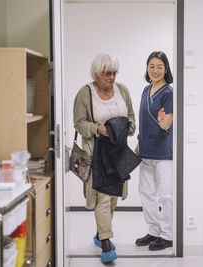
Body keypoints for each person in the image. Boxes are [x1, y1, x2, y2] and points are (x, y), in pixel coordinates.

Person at [73, 52, 136, 263]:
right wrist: (97, 128)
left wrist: (129, 128)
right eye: (107, 73)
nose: (112, 77)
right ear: (97, 73)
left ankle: (100, 234)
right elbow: (79, 123)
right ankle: (107, 243)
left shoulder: (123, 90)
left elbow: (131, 118)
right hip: (96, 155)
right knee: (102, 197)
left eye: (114, 73)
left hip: (118, 154)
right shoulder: (85, 93)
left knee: (113, 197)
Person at [135, 51, 174, 251]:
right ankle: (154, 231)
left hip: (163, 153)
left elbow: (167, 123)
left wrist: (163, 121)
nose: (155, 70)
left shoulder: (169, 93)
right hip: (145, 151)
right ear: (147, 68)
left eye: (160, 66)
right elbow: (143, 121)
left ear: (166, 69)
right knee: (146, 193)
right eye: (152, 66)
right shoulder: (145, 90)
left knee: (165, 195)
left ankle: (167, 235)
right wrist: (139, 143)